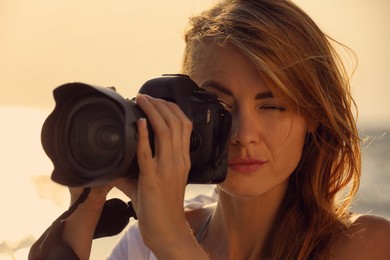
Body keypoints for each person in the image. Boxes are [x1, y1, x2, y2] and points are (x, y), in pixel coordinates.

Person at [30, 0, 390, 259]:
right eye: (220, 107)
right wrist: (86, 205)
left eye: (273, 105)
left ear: (313, 115)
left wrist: (173, 241)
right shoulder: (143, 243)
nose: (244, 134)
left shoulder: (365, 245)